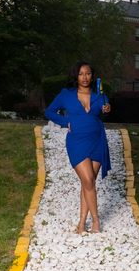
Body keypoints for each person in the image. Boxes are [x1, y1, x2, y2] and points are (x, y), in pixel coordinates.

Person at [45, 62, 111, 234]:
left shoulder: (100, 96)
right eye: (81, 74)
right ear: (76, 76)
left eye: (88, 74)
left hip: (97, 140)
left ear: (92, 76)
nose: (84, 77)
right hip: (77, 141)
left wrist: (107, 109)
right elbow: (49, 112)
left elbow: (106, 111)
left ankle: (81, 223)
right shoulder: (66, 95)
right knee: (88, 180)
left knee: (87, 183)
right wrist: (65, 122)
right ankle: (96, 221)